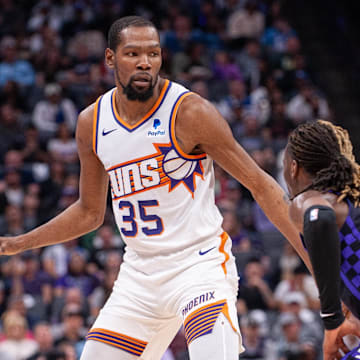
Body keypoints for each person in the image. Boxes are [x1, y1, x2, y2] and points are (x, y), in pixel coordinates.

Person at [0, 16, 309, 360]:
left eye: (153, 53)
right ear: (110, 59)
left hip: (199, 265)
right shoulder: (91, 122)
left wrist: (323, 277)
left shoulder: (190, 112)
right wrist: (18, 243)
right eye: (133, 53)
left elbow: (261, 185)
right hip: (139, 275)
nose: (145, 62)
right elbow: (89, 213)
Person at [282, 120, 360, 360]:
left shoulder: (309, 201)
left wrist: (332, 320)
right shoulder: (349, 203)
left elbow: (319, 218)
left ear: (293, 168)